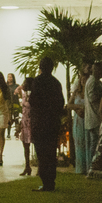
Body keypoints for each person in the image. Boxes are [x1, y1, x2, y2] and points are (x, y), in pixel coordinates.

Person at [28, 57, 65, 191]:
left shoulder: (38, 82)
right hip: (52, 122)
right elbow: (60, 102)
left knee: (42, 153)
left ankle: (45, 181)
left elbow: (33, 100)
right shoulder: (56, 83)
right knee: (51, 152)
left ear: (41, 67)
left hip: (40, 122)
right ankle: (51, 181)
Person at [69, 63, 91, 174]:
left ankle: (88, 166)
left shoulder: (89, 93)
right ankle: (80, 167)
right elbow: (69, 104)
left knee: (88, 143)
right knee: (79, 143)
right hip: (78, 120)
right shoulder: (76, 92)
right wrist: (78, 108)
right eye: (82, 79)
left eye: (85, 80)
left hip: (88, 118)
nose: (83, 81)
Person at [84, 61, 102, 167]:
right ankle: (92, 165)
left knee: (95, 142)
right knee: (95, 143)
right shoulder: (93, 82)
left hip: (94, 116)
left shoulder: (95, 82)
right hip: (94, 116)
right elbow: (92, 98)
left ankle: (93, 165)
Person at [18, 77, 33, 176]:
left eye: (25, 83)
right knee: (25, 145)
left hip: (31, 121)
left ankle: (40, 167)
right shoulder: (24, 95)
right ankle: (27, 166)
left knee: (35, 143)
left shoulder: (34, 95)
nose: (23, 85)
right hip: (25, 121)